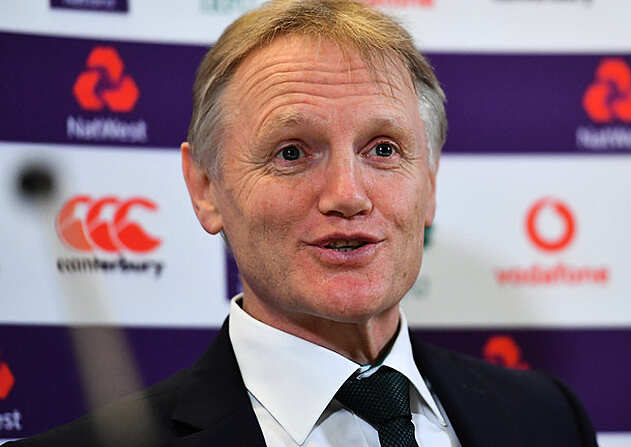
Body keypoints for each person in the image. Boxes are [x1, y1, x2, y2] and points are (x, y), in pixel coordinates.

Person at [11, 1, 598, 445]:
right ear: (206, 188)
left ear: (431, 184)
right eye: (292, 152)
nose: (348, 195)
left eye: (384, 149)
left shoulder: (549, 419)